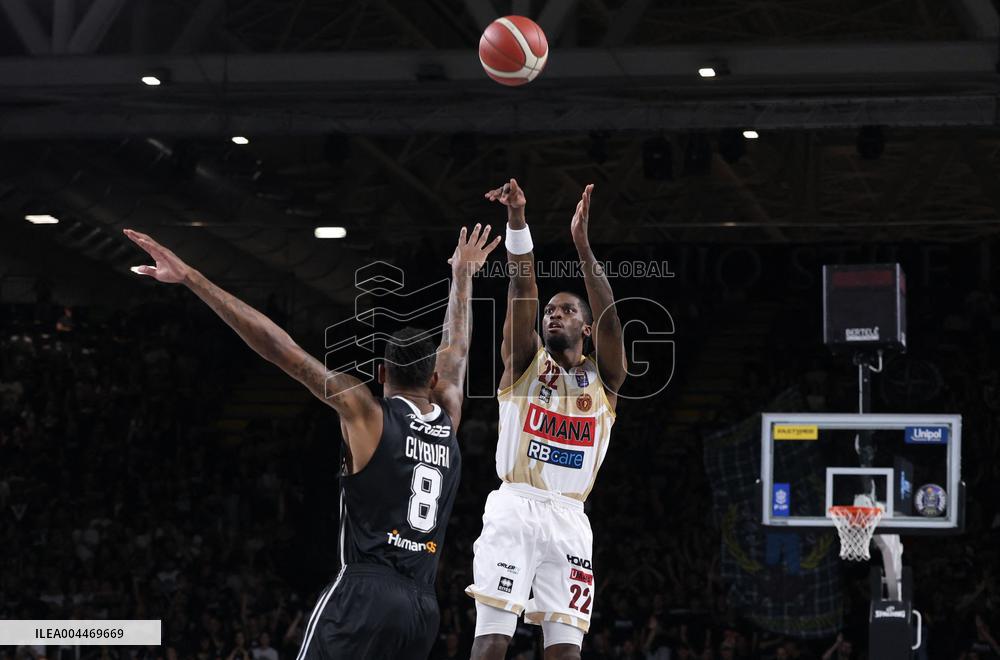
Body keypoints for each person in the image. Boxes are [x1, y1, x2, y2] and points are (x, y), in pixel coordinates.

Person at [123, 224, 501, 659]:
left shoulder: (367, 412)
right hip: (422, 608)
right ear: (432, 380)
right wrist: (462, 276)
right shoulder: (448, 417)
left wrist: (191, 277)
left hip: (365, 593)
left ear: (381, 373)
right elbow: (457, 350)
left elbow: (279, 348)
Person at [466, 179, 627, 659]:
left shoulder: (605, 380)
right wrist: (517, 220)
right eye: (551, 310)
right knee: (493, 640)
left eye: (567, 310)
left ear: (587, 328)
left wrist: (583, 247)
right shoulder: (524, 362)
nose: (554, 315)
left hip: (571, 519)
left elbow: (612, 317)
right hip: (517, 505)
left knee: (566, 652)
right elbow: (522, 286)